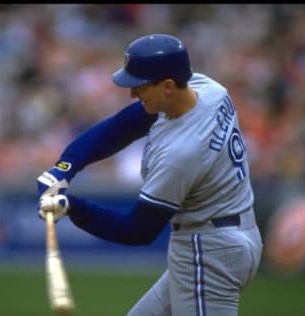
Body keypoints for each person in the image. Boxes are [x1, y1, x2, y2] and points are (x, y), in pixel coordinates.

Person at [36, 33, 263, 316]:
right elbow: (120, 127)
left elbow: (137, 230)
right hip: (235, 234)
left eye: (140, 86)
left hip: (208, 251)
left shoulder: (181, 154)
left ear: (168, 86)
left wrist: (71, 207)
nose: (133, 93)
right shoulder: (209, 90)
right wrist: (64, 169)